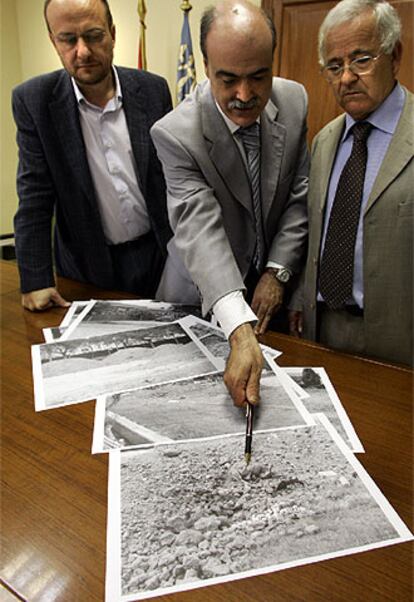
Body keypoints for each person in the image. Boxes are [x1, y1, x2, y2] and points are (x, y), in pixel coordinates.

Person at [151, 0, 309, 407]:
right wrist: (238, 327)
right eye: (228, 80)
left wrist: (277, 272)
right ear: (206, 68)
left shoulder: (294, 102)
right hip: (200, 297)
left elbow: (297, 197)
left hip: (270, 296)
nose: (244, 94)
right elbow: (200, 231)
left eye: (258, 77)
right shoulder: (175, 134)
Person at [12, 0, 173, 312]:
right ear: (53, 40)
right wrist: (35, 279)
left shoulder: (153, 89)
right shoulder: (34, 101)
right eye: (68, 39)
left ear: (112, 33)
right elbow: (34, 197)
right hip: (87, 269)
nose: (82, 52)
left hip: (160, 258)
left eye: (94, 35)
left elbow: (173, 179)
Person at [289, 0, 413, 367]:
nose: (346, 78)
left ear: (394, 56)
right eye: (334, 65)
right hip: (323, 331)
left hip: (400, 343)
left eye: (361, 60)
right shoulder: (324, 141)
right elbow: (316, 234)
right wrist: (300, 296)